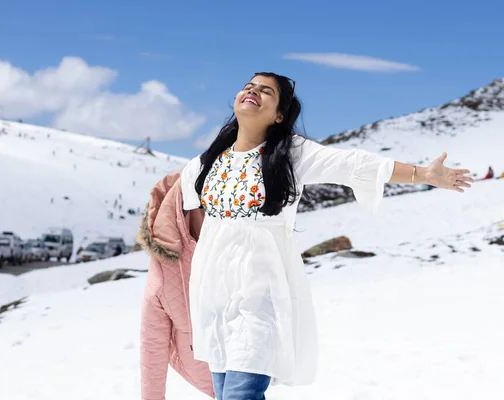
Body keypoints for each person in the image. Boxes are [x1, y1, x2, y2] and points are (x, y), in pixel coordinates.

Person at [178, 72, 473, 400]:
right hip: (213, 298)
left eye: (266, 91)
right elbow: (184, 226)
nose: (253, 92)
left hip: (260, 294)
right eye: (249, 87)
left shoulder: (292, 153)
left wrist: (424, 174)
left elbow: (355, 164)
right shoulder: (203, 165)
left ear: (279, 115)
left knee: (240, 395)